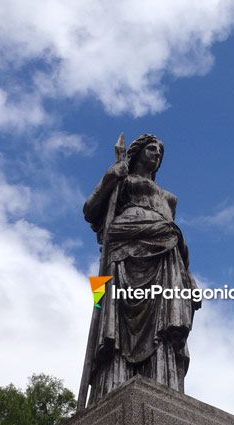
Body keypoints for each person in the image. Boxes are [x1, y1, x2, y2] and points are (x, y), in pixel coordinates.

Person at [83, 134, 200, 403]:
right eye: (151, 148)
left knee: (165, 322)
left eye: (160, 151)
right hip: (123, 255)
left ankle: (162, 384)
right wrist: (111, 176)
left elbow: (175, 236)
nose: (157, 154)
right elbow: (91, 210)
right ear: (136, 153)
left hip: (165, 257)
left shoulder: (170, 199)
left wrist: (187, 276)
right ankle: (112, 387)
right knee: (116, 322)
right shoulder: (122, 183)